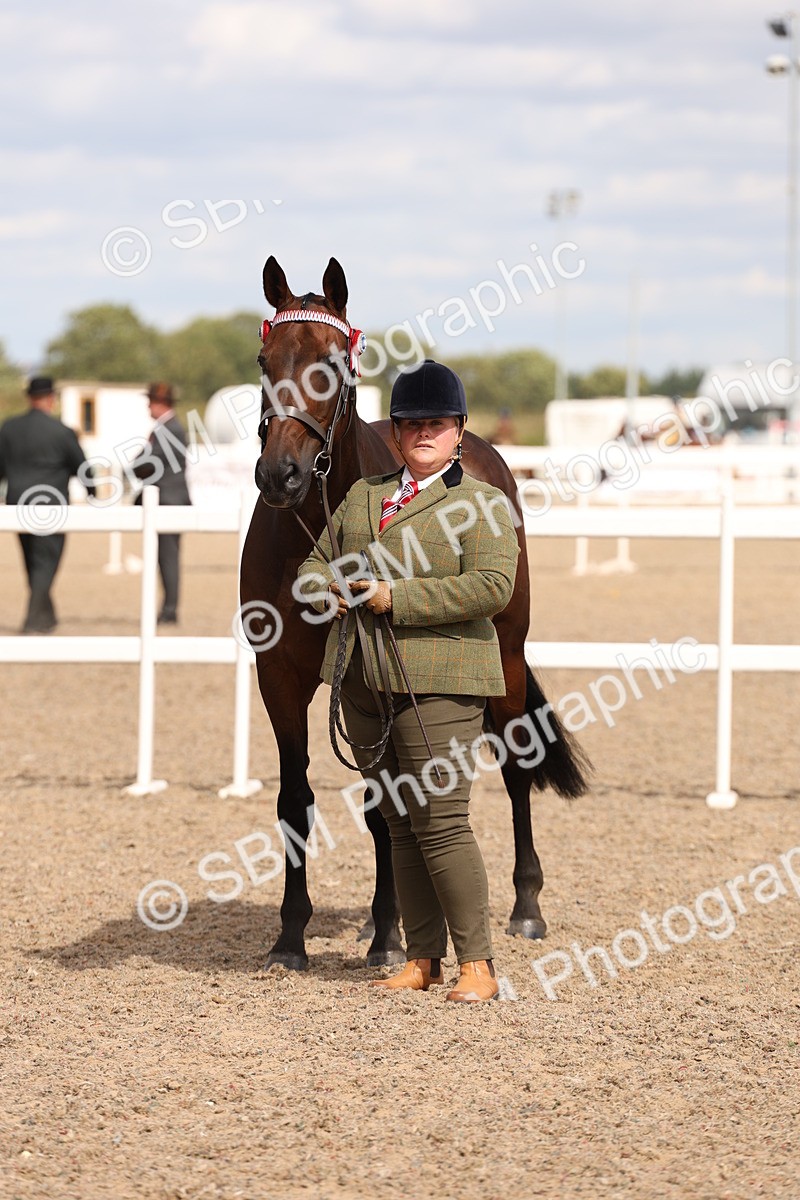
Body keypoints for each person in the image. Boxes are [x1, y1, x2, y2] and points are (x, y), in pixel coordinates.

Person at [296, 359, 520, 1004]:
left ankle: (477, 963)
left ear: (458, 432)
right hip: (365, 680)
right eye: (411, 423)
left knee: (443, 821)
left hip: (442, 682)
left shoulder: (481, 503)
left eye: (437, 424)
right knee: (396, 821)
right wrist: (325, 592)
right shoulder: (364, 496)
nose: (423, 433)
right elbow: (315, 564)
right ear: (395, 434)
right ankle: (424, 957)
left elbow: (491, 588)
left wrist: (396, 594)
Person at [0, 375, 94, 634]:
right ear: (51, 398)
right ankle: (33, 621)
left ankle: (47, 616)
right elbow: (83, 468)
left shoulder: (9, 428)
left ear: (29, 397)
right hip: (51, 507)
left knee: (32, 561)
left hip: (18, 505)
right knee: (45, 563)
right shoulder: (61, 432)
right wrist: (95, 495)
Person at [130, 383, 191, 624]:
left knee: (168, 557)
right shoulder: (165, 429)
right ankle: (167, 607)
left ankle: (170, 609)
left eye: (150, 402)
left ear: (159, 403)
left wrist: (136, 466)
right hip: (166, 499)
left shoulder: (171, 430)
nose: (148, 407)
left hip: (169, 500)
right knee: (164, 557)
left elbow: (147, 462)